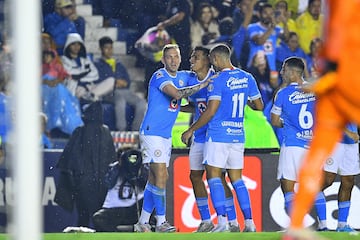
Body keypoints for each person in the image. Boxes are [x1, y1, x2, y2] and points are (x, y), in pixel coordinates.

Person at [284, 0, 360, 239]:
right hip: (339, 106)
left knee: (343, 178)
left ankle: (335, 224)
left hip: (344, 107)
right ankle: (307, 222)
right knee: (323, 176)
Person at [181, 44, 263, 232]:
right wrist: (242, 100)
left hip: (217, 134)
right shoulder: (247, 77)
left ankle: (224, 222)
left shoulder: (216, 80)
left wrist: (190, 130)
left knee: (214, 177)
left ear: (215, 60)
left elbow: (210, 111)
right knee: (237, 179)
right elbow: (258, 106)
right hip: (237, 135)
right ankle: (249, 223)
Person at [134, 44, 210, 233]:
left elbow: (198, 81)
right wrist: (205, 84)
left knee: (156, 177)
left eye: (176, 57)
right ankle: (161, 222)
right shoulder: (160, 76)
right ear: (163, 60)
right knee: (160, 175)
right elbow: (176, 94)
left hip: (165, 135)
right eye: (169, 57)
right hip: (151, 132)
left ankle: (142, 222)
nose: (173, 60)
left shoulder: (185, 76)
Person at [55, 101, 117, 227]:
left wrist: (76, 178)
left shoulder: (81, 132)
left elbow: (70, 160)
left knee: (83, 217)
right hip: (100, 183)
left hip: (83, 183)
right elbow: (112, 160)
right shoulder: (104, 132)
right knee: (99, 217)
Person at [270, 57, 316, 219]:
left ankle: (296, 225)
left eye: (283, 69)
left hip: (292, 144)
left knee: (287, 185)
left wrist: (289, 123)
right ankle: (324, 224)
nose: (282, 72)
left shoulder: (283, 93)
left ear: (291, 72)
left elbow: (275, 121)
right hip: (313, 146)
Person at [95, 36, 147, 131]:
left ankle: (136, 130)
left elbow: (127, 80)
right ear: (100, 48)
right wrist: (115, 83)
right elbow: (98, 81)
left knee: (142, 102)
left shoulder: (118, 64)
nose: (109, 50)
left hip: (124, 91)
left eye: (111, 48)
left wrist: (123, 83)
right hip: (109, 93)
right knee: (120, 99)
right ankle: (121, 129)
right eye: (106, 48)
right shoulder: (97, 64)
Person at [315, 124, 360, 232]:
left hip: (352, 144)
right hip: (334, 141)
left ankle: (342, 225)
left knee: (348, 182)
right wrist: (348, 132)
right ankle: (322, 224)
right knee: (327, 180)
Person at [93, 149, 149, 232]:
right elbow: (107, 183)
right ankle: (118, 234)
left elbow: (146, 184)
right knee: (98, 218)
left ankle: (136, 229)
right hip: (115, 210)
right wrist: (119, 166)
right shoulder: (114, 168)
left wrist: (138, 168)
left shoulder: (141, 169)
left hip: (134, 209)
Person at [61, 33, 114, 102]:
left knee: (111, 80)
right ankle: (92, 97)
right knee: (80, 91)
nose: (76, 47)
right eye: (73, 44)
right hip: (76, 87)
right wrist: (87, 71)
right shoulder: (63, 59)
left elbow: (95, 74)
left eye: (78, 44)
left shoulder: (85, 59)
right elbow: (72, 74)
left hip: (90, 86)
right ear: (68, 45)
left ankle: (91, 96)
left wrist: (80, 75)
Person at [42, 49, 83, 136]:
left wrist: (57, 81)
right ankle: (48, 127)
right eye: (45, 56)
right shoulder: (41, 67)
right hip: (44, 88)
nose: (46, 58)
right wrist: (46, 81)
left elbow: (64, 76)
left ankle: (65, 125)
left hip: (55, 88)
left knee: (62, 94)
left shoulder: (57, 67)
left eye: (48, 56)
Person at [247, 2, 289, 74]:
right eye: (265, 13)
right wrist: (272, 27)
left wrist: (285, 23)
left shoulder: (276, 29)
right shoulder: (252, 27)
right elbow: (259, 41)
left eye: (271, 14)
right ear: (259, 14)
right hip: (256, 68)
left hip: (271, 69)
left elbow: (286, 38)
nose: (268, 16)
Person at [157, 0, 192, 70]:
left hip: (182, 37)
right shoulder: (171, 2)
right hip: (171, 37)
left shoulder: (183, 2)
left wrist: (164, 24)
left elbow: (180, 16)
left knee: (182, 61)